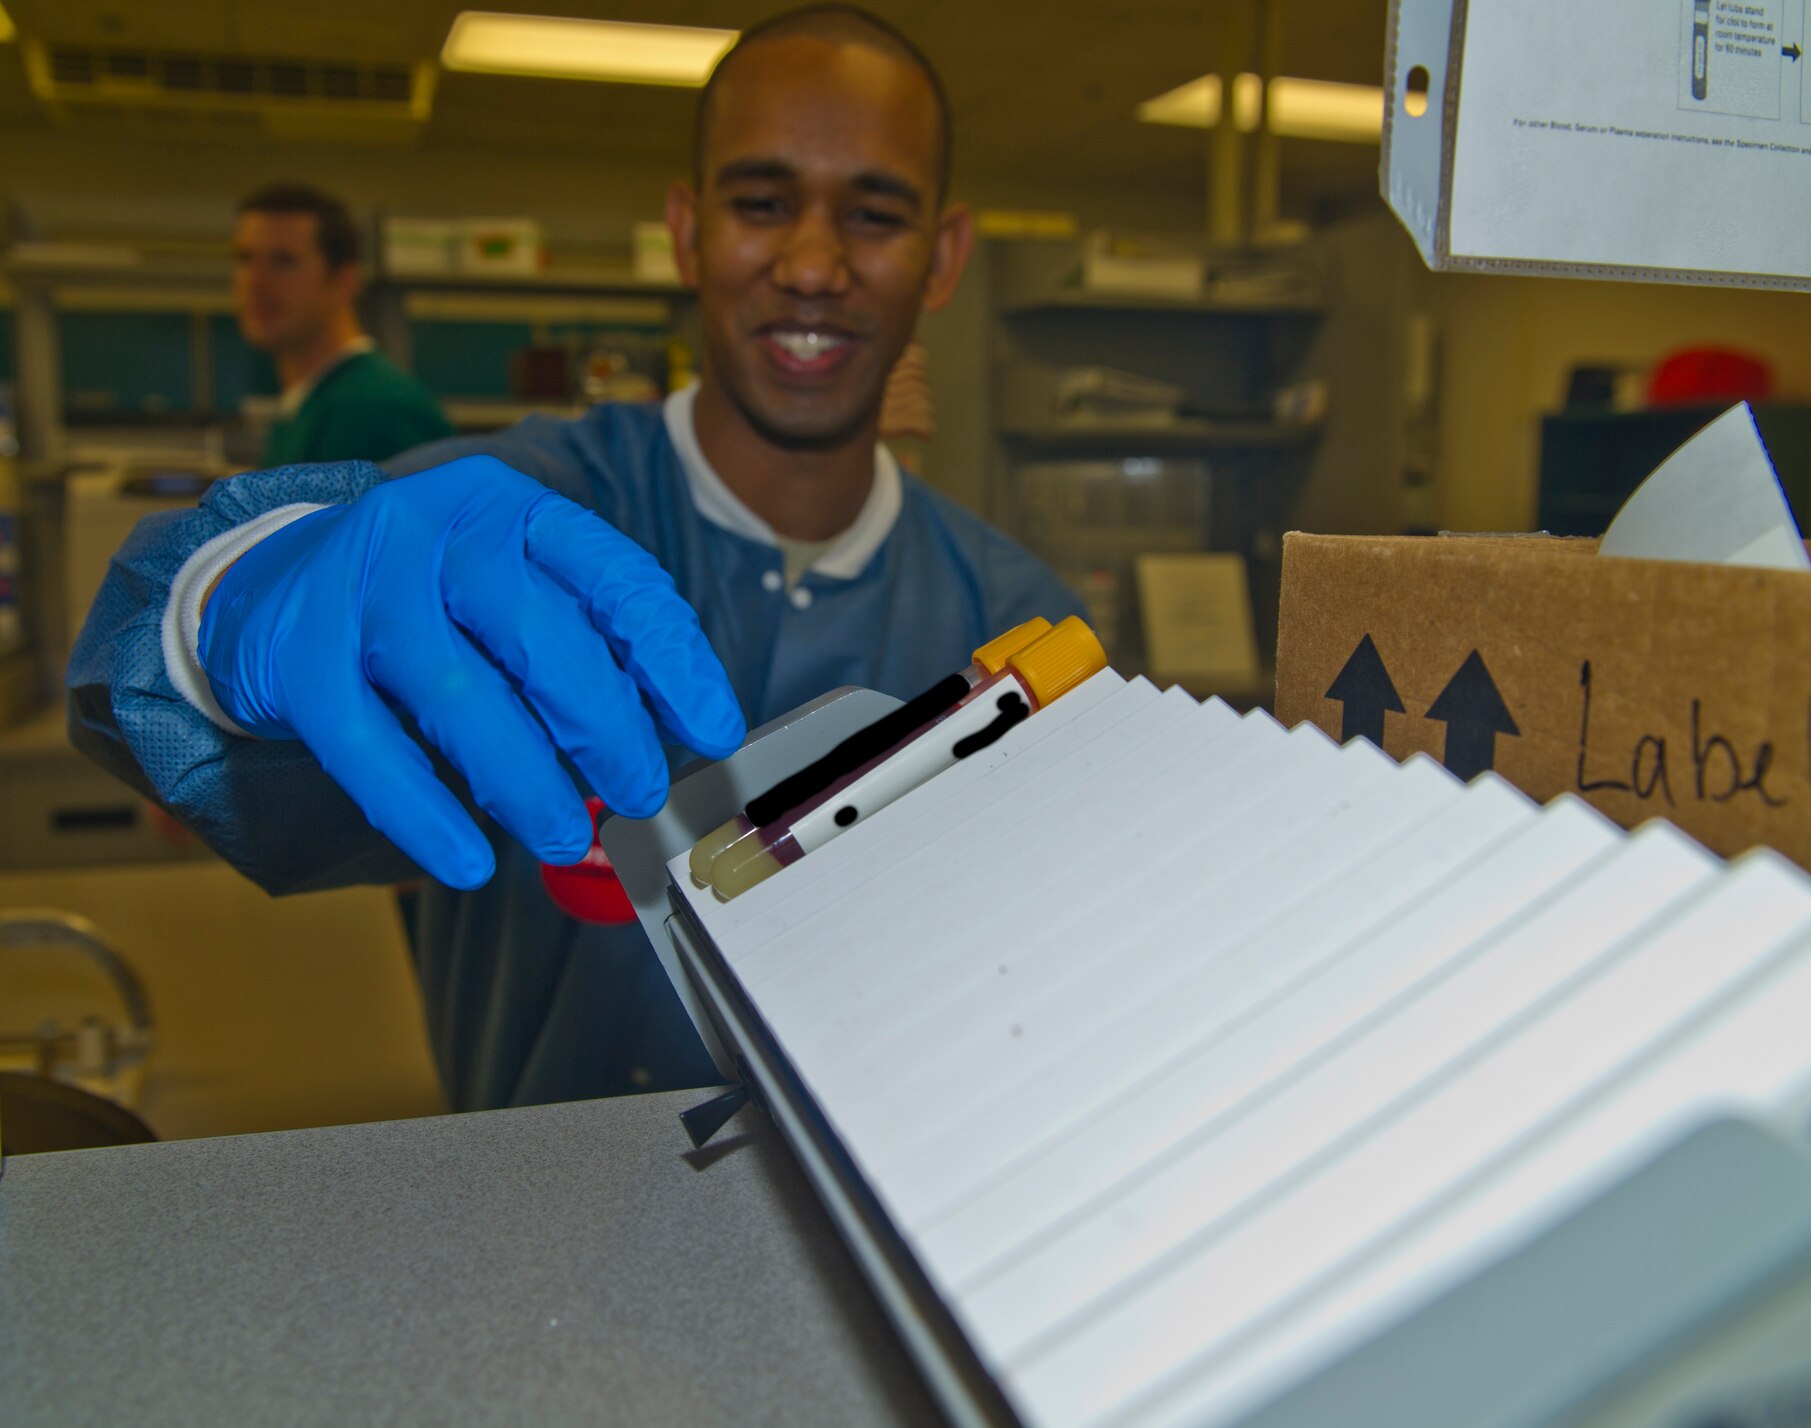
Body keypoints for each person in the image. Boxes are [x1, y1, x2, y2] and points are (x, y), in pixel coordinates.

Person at [67, 5, 1083, 1112]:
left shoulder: (1013, 618)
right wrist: (212, 618)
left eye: (873, 214)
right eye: (760, 204)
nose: (810, 264)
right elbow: (136, 695)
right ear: (688, 233)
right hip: (526, 1227)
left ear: (941, 259)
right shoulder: (521, 518)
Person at [232, 182, 452, 465]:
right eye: (245, 259)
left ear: (344, 281)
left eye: (283, 261)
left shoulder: (375, 412)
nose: (255, 281)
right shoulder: (303, 409)